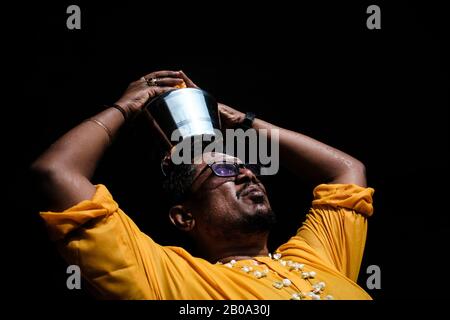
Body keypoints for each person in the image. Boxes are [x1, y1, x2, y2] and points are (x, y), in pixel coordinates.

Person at [31, 70, 374, 300]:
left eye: (247, 166)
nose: (248, 174)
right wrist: (125, 108)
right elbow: (57, 170)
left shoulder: (318, 258)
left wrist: (240, 120)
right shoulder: (169, 279)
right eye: (224, 170)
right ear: (184, 216)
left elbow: (346, 171)